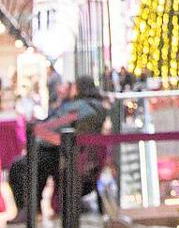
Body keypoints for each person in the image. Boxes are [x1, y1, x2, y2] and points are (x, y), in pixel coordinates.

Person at [9, 75, 107, 220]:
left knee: (21, 165)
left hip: (65, 154)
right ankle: (31, 208)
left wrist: (41, 136)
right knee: (34, 162)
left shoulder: (81, 107)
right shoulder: (93, 106)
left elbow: (57, 128)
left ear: (78, 88)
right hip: (70, 153)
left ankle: (29, 209)